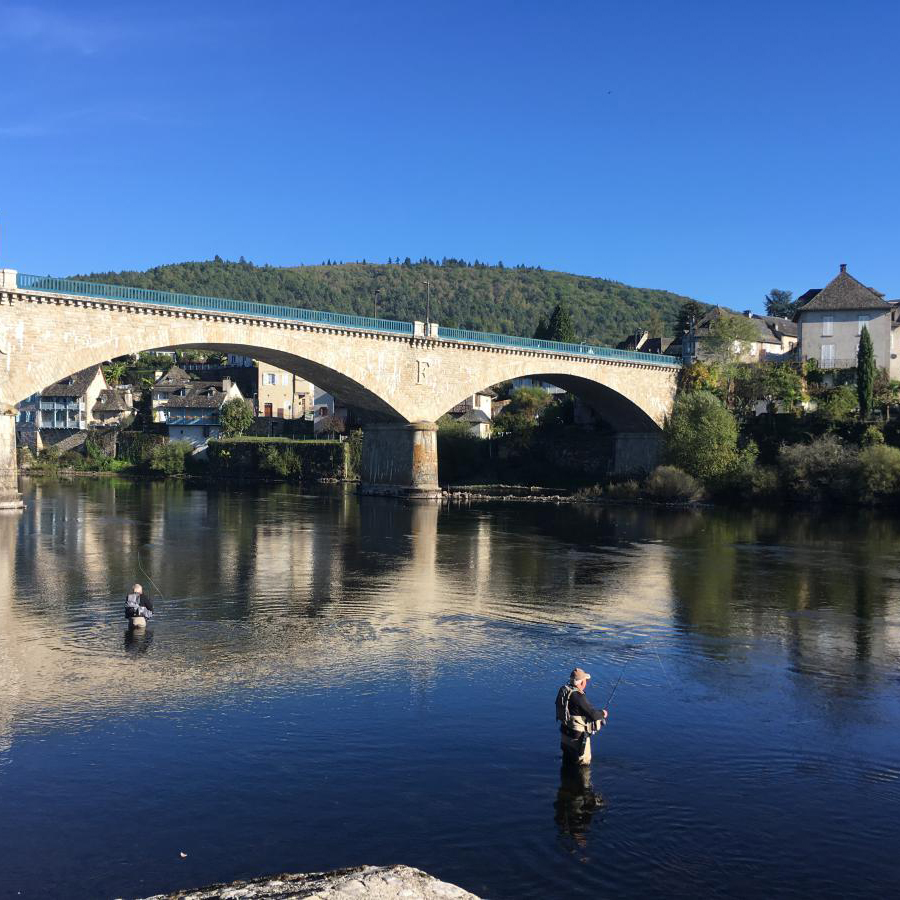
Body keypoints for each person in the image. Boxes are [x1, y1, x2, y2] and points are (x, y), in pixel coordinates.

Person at [555, 667, 608, 765]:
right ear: (582, 682)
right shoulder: (578, 697)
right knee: (583, 765)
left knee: (567, 762)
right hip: (577, 738)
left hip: (565, 735)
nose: (586, 683)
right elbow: (593, 715)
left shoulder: (564, 691)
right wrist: (603, 713)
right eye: (585, 680)